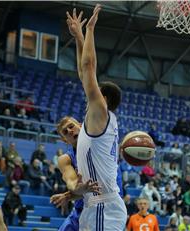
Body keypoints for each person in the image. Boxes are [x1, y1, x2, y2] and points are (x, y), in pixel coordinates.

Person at [66, 4, 127, 230]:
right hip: (97, 205)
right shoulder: (101, 118)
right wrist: (79, 37)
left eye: (95, 90)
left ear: (103, 98)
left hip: (103, 206)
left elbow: (89, 67)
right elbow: (84, 73)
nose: (89, 89)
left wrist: (90, 30)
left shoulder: (100, 111)